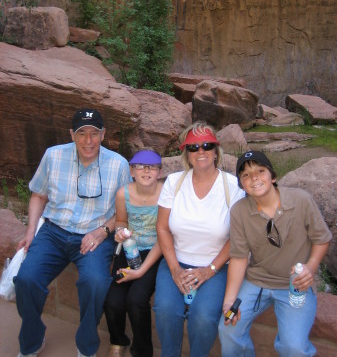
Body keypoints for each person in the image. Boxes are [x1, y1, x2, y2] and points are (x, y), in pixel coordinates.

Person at [14, 108, 132, 357]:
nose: (88, 141)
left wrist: (103, 232)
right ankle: (33, 340)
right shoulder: (53, 156)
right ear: (72, 134)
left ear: (103, 134)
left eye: (94, 133)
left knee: (96, 282)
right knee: (26, 279)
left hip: (95, 235)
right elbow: (38, 195)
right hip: (53, 233)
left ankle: (86, 345)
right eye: (81, 133)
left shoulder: (118, 164)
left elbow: (124, 211)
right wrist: (30, 231)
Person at [219, 150, 332, 357]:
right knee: (228, 329)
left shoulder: (301, 200)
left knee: (294, 348)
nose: (254, 178)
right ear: (242, 185)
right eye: (245, 175)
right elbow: (239, 257)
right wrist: (229, 300)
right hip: (256, 282)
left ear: (273, 176)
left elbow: (322, 239)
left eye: (260, 171)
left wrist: (311, 267)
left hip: (295, 285)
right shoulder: (239, 211)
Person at [153, 123, 245, 357]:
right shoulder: (174, 182)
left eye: (207, 146)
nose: (200, 152)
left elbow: (238, 236)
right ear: (186, 153)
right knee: (165, 311)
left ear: (216, 151)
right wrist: (174, 268)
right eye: (193, 147)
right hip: (177, 260)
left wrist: (210, 270)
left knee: (203, 318)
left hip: (216, 265)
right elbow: (162, 228)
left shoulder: (233, 186)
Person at [104, 149, 163, 357]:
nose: (146, 170)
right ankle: (117, 340)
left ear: (159, 171)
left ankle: (142, 350)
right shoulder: (124, 193)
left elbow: (167, 233)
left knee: (137, 300)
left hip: (155, 252)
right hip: (129, 249)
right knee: (113, 300)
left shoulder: (165, 194)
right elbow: (121, 221)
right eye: (140, 166)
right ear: (132, 171)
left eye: (152, 167)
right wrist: (120, 232)